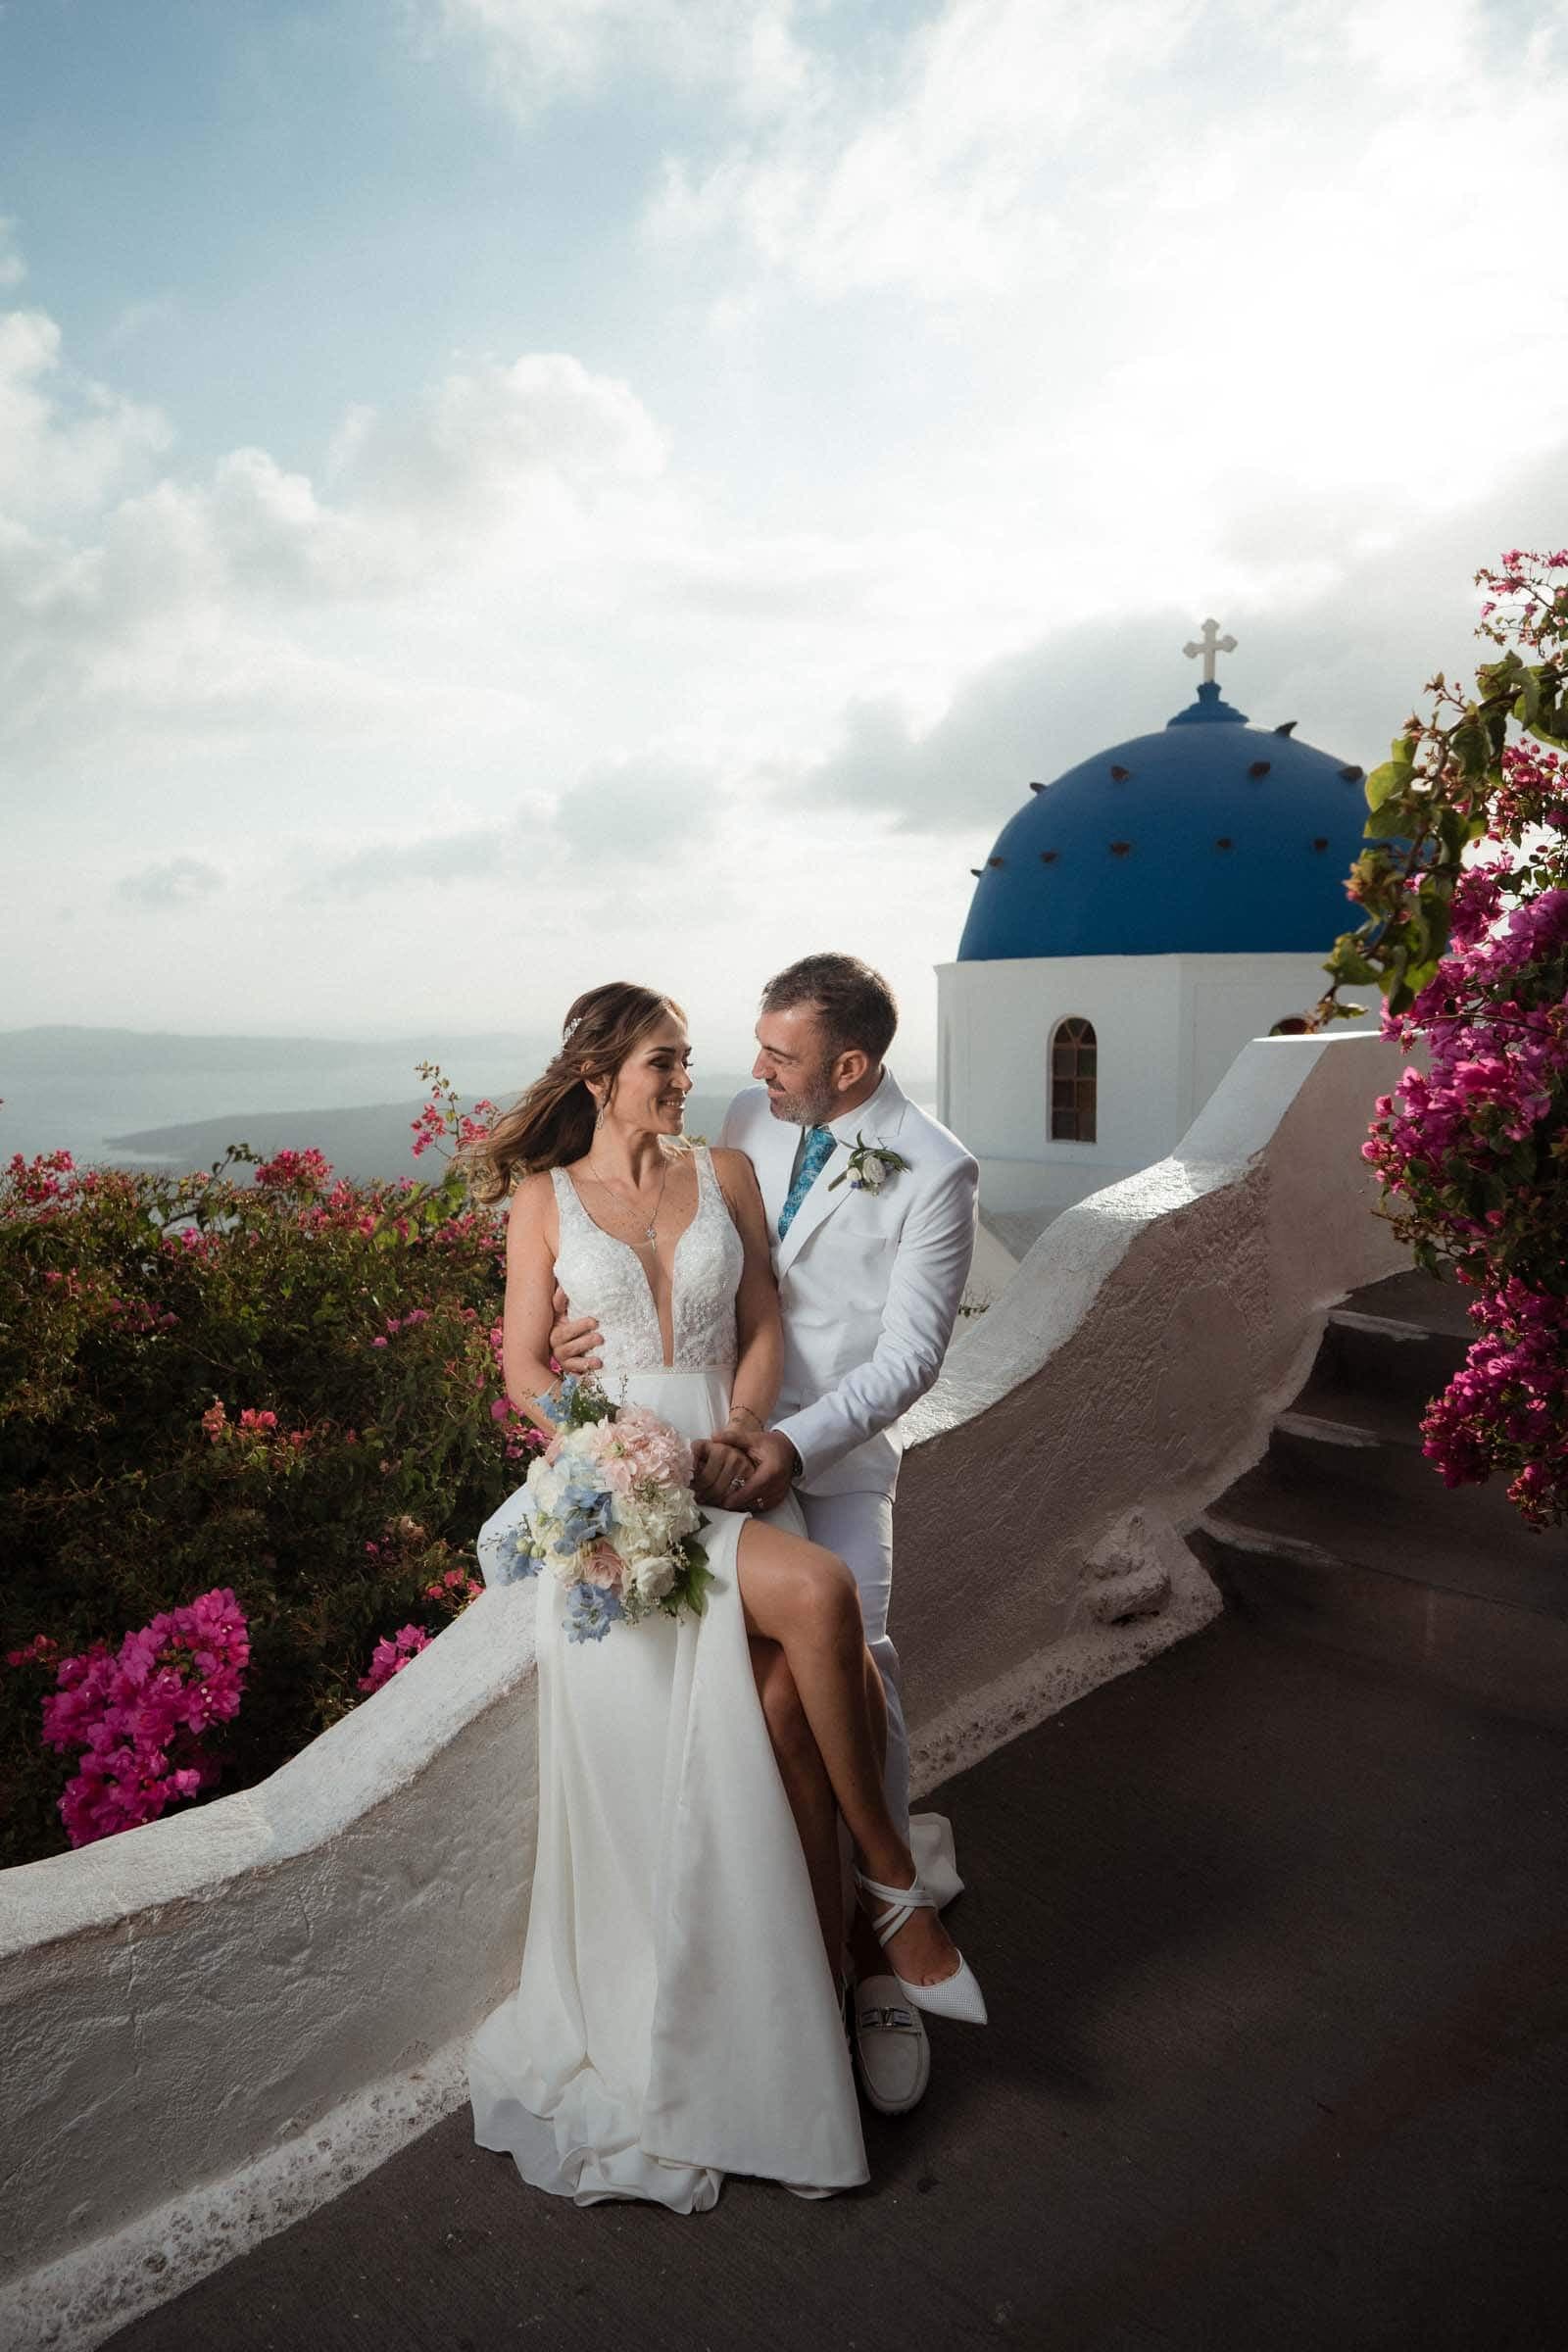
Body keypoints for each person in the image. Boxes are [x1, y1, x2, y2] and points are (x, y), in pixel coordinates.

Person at [466, 981, 983, 2215]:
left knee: (789, 1720)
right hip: (621, 1486)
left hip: (750, 1465)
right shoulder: (544, 1202)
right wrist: (591, 1441)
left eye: (706, 1057)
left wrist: (748, 1426)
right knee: (819, 1605)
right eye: (671, 1059)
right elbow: (523, 1361)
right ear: (599, 1075)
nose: (704, 1076)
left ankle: (820, 2004)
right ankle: (890, 1890)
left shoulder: (740, 1173)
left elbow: (766, 1322)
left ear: (848, 1066)